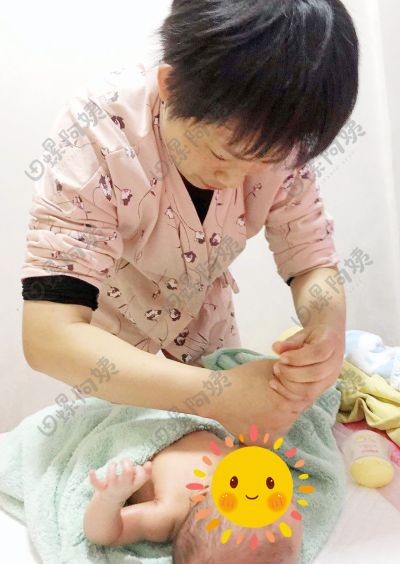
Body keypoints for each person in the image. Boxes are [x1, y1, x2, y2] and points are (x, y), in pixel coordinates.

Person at [21, 0, 357, 445]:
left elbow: (311, 261)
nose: (236, 180)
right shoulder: (99, 130)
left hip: (208, 330)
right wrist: (219, 395)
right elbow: (49, 335)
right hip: (111, 353)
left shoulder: (276, 139)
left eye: (264, 163)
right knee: (137, 465)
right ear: (170, 87)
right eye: (223, 155)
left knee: (224, 460)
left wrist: (326, 332)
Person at [83, 407, 303, 563]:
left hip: (144, 426)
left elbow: (104, 534)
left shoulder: (168, 513)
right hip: (185, 408)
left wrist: (110, 498)